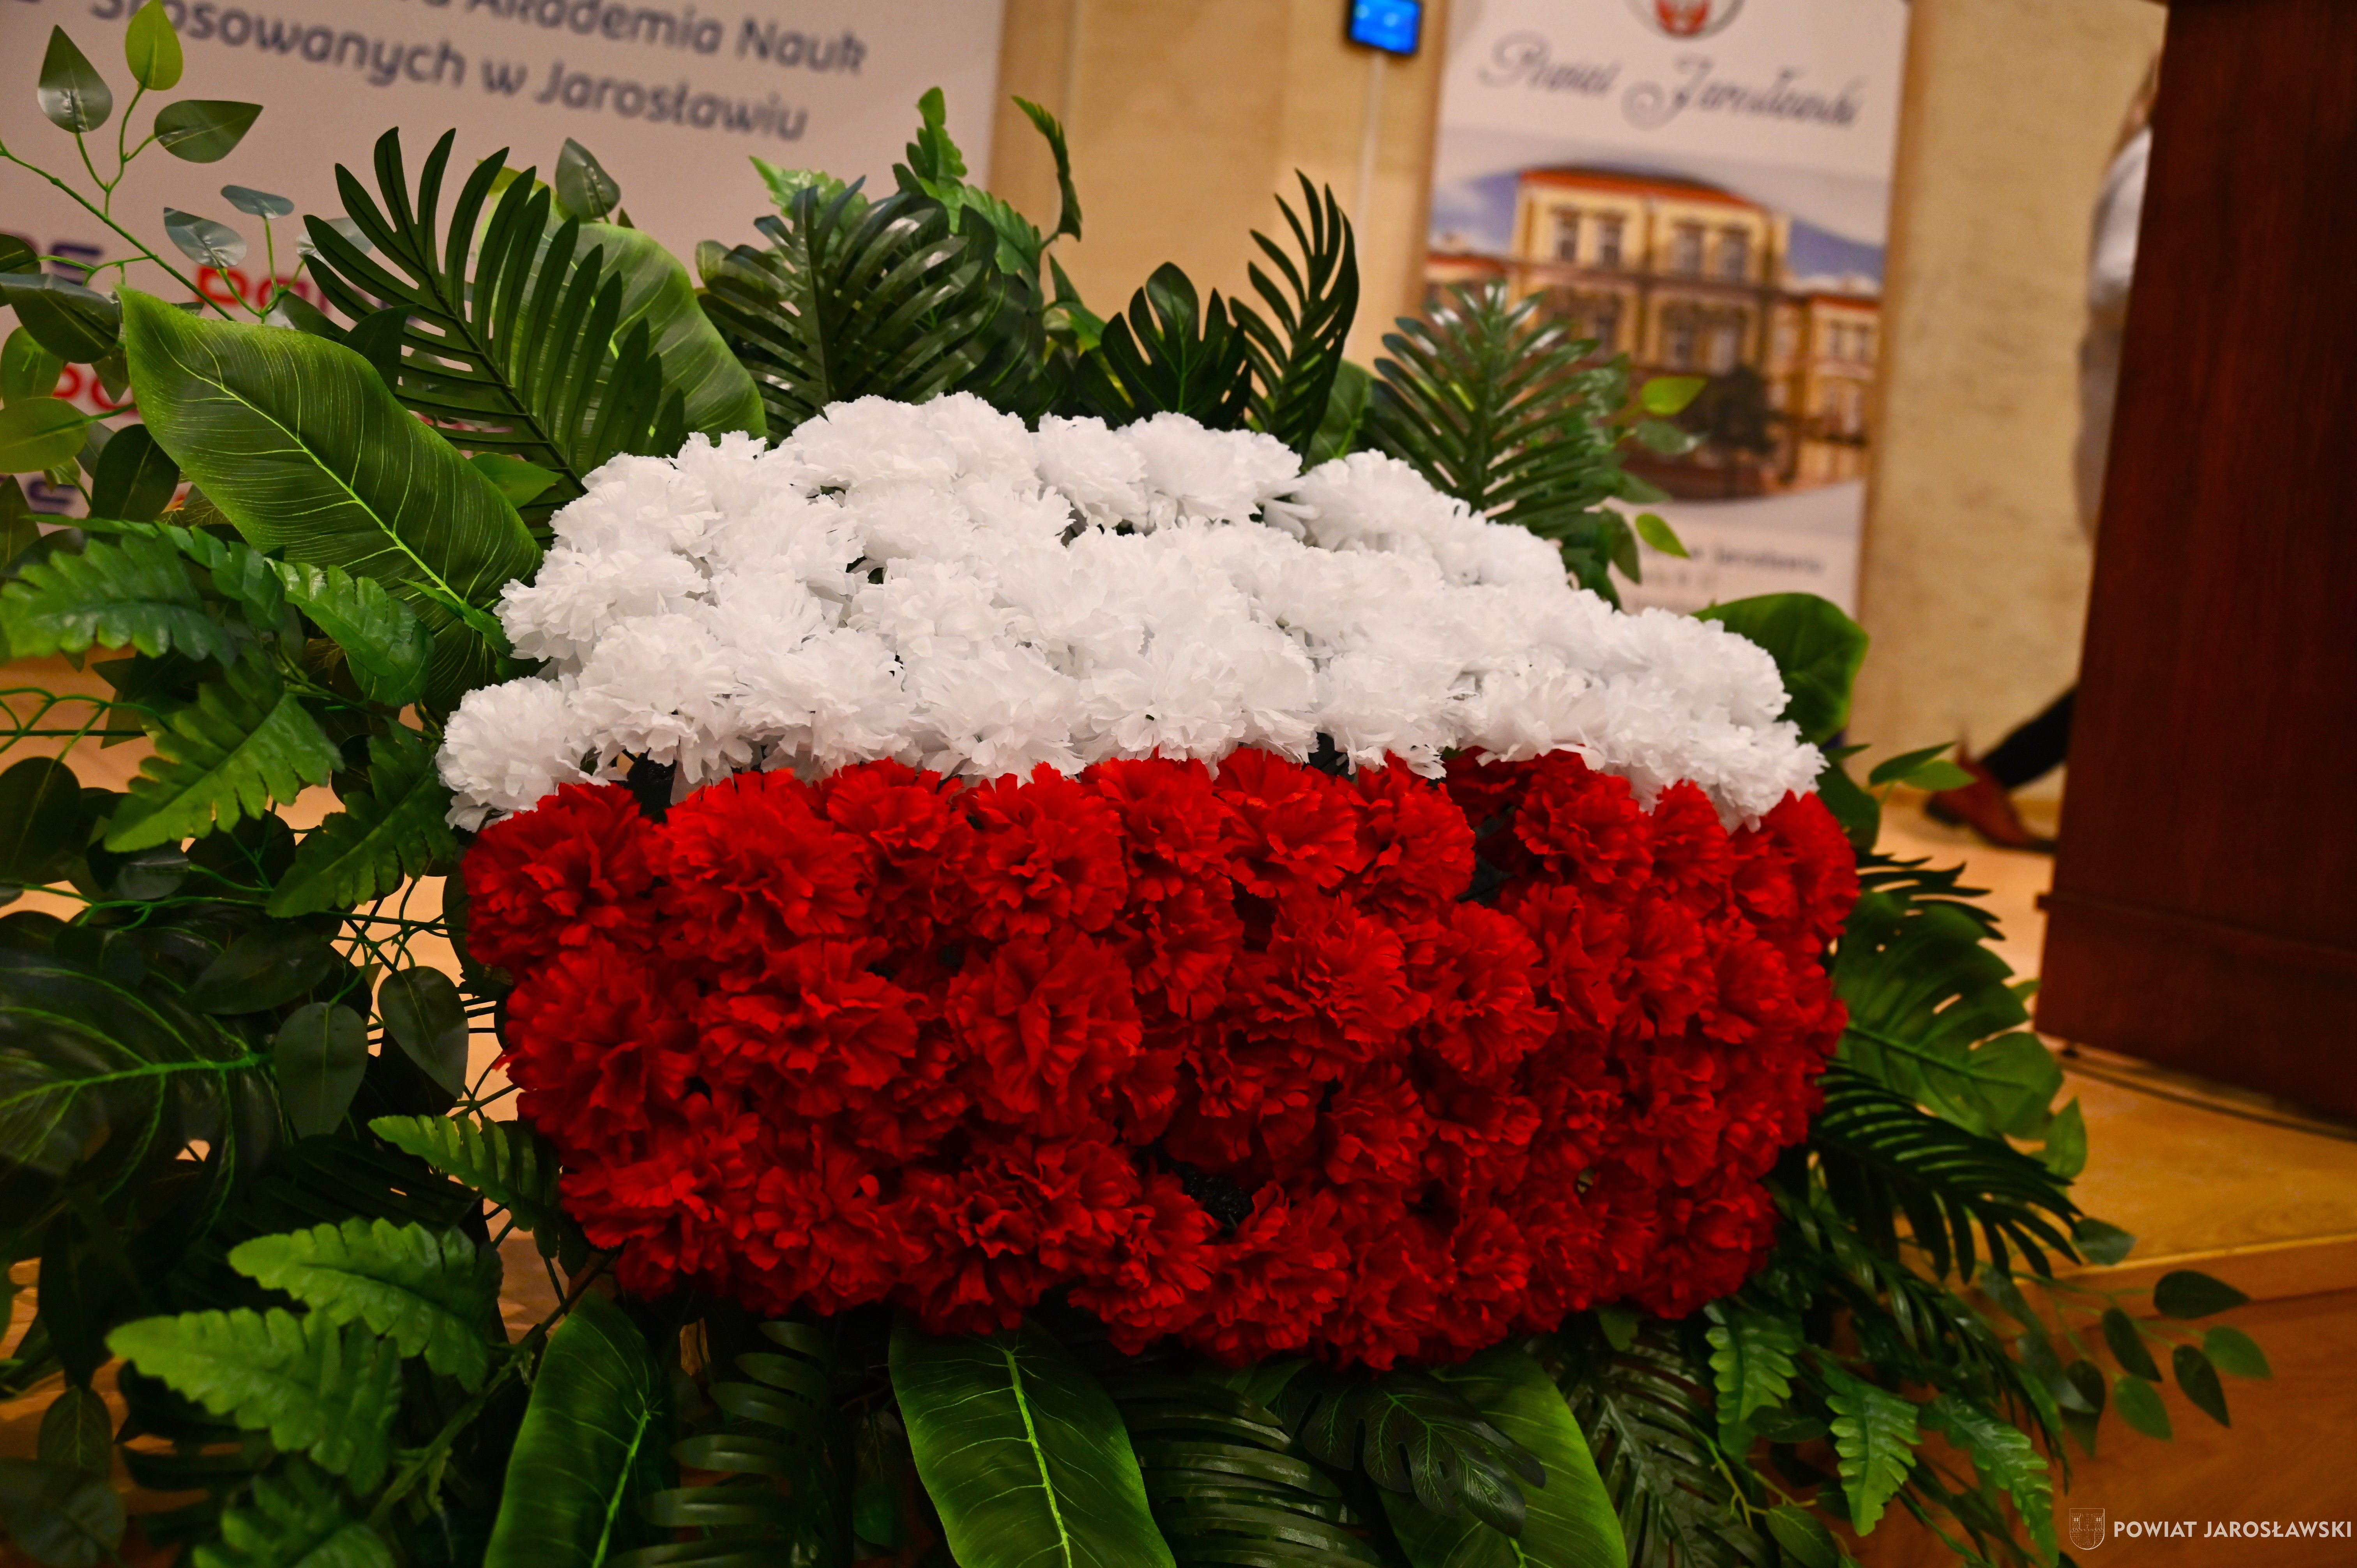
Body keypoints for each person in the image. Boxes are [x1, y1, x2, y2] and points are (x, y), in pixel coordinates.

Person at [1927, 59, 2156, 851]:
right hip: (2130, 446)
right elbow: (2114, 284)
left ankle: (1990, 775)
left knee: (2151, 650)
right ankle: (1993, 777)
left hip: (2139, 440)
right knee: (2150, 650)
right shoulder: (2156, 156)